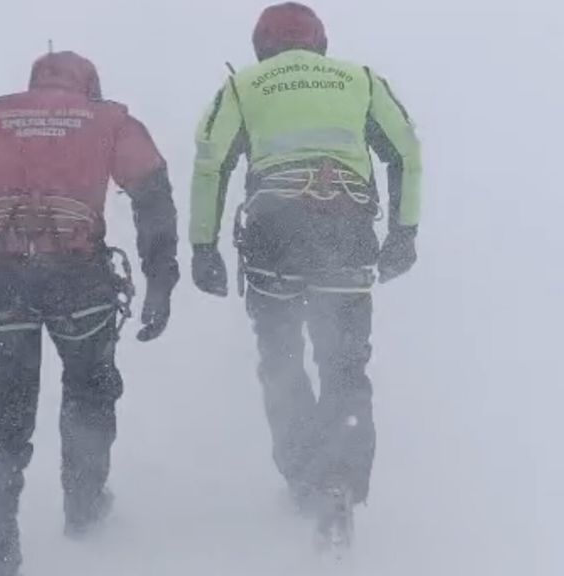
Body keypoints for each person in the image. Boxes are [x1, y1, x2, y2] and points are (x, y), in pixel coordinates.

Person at [0, 50, 179, 576]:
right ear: (89, 87)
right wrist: (160, 281)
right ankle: (85, 509)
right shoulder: (110, 120)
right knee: (90, 394)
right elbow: (153, 196)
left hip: (0, 282)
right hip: (81, 283)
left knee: (0, 421)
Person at [188, 2, 423, 549]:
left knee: (282, 360)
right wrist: (404, 234)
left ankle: (301, 478)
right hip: (345, 226)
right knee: (343, 363)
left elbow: (210, 164)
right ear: (320, 43)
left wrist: (204, 247)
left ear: (260, 46)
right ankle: (341, 476)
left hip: (275, 236)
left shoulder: (244, 86)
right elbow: (406, 152)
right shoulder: (360, 81)